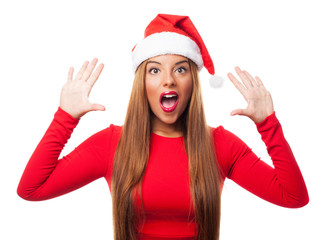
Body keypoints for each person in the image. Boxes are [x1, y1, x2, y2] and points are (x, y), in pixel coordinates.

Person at [17, 14, 309, 240]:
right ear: (142, 83)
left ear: (192, 82)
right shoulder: (112, 145)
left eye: (180, 69)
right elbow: (31, 189)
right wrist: (65, 117)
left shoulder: (220, 145)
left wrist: (267, 124)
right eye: (155, 70)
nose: (168, 80)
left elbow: (294, 197)